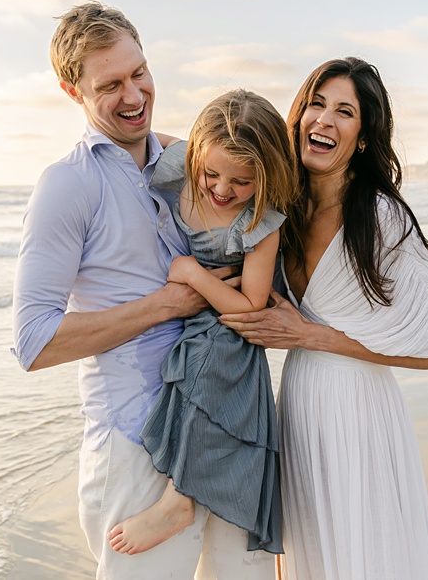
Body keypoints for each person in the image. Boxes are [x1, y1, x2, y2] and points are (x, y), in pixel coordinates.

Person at [12, 2, 275, 580]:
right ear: (71, 90)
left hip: (227, 424)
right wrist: (170, 304)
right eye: (111, 85)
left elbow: (262, 211)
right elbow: (34, 342)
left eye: (140, 73)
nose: (133, 96)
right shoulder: (67, 185)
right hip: (138, 443)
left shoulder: (192, 160)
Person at [221, 57, 428, 580]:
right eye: (316, 104)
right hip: (301, 408)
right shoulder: (283, 209)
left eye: (344, 112)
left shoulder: (380, 217)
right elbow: (207, 149)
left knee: (365, 555)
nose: (324, 120)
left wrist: (309, 335)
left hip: (360, 413)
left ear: (365, 137)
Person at [107, 90, 293, 557]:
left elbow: (250, 306)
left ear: (265, 177)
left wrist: (191, 273)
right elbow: (145, 141)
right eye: (212, 173)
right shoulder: (183, 168)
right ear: (196, 157)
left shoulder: (260, 222)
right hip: (190, 318)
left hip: (231, 330)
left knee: (213, 351)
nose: (222, 189)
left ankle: (178, 500)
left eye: (242, 180)